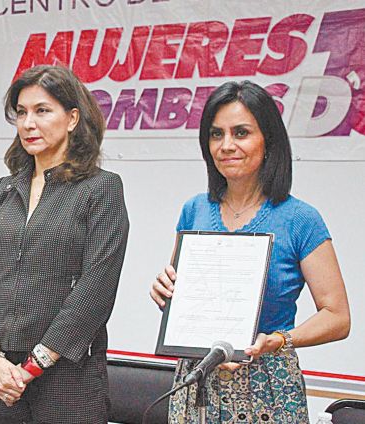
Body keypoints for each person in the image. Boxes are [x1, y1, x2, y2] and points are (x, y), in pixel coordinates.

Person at [150, 81, 351, 422]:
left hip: (268, 385)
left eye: (241, 133)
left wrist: (279, 340)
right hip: (198, 380)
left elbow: (337, 317)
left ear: (268, 140)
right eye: (216, 134)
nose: (226, 145)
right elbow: (186, 300)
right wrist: (165, 291)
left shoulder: (300, 219)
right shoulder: (194, 210)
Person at [0, 65, 130, 423]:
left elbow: (96, 288)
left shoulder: (100, 188)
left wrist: (34, 365)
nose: (28, 123)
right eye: (21, 112)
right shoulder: (5, 189)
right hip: (2, 378)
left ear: (72, 118)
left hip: (68, 376)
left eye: (42, 111)